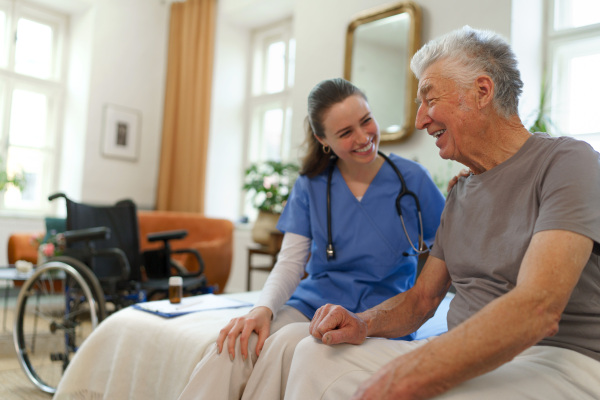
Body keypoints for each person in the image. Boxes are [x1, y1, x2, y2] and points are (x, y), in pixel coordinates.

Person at [278, 26, 600, 400]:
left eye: (429, 99)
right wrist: (361, 323)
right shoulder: (461, 192)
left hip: (557, 360)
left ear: (482, 92)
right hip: (465, 353)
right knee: (316, 355)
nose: (419, 120)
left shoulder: (568, 162)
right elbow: (422, 300)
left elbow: (538, 307)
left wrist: (418, 372)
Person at [177, 78, 446, 399]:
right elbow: (291, 261)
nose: (363, 138)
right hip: (312, 303)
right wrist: (261, 309)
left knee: (289, 341)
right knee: (236, 343)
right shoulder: (312, 184)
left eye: (366, 121)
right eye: (346, 133)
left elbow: (449, 250)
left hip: (378, 313)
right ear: (323, 140)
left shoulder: (412, 180)